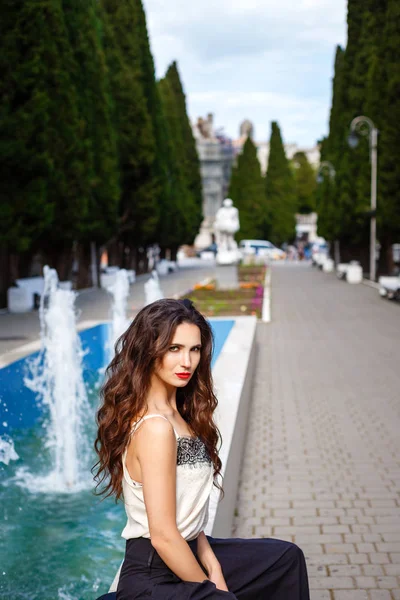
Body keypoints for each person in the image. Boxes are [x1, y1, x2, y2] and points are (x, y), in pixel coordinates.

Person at [93, 299, 310, 600]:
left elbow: (189, 519)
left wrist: (213, 566)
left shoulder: (180, 415)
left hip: (190, 549)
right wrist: (211, 589)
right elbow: (164, 537)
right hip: (154, 575)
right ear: (148, 350)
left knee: (285, 558)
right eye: (174, 349)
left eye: (194, 349)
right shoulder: (155, 427)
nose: (187, 362)